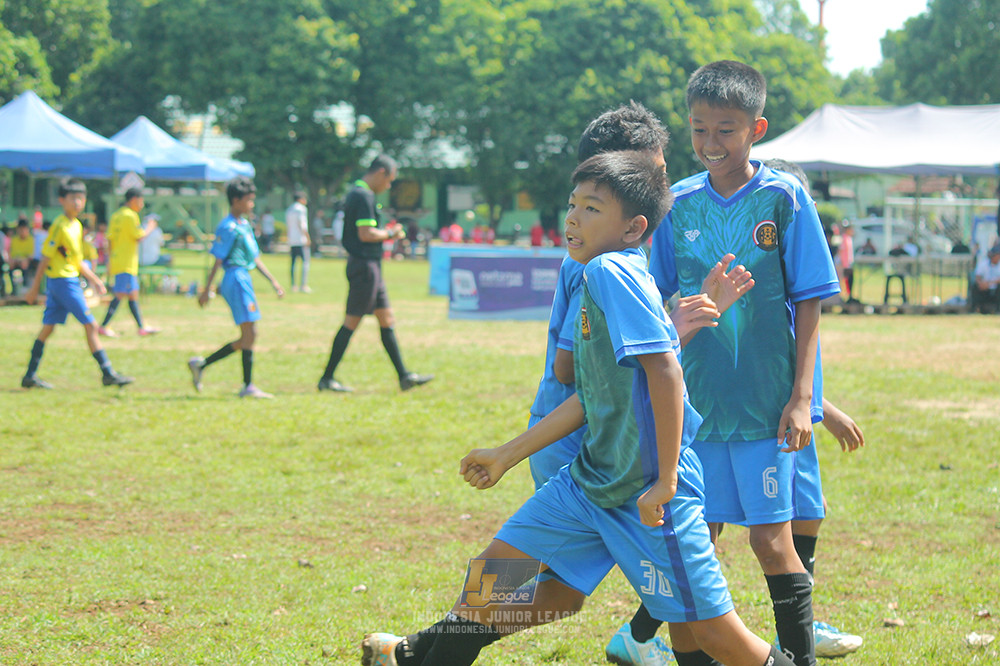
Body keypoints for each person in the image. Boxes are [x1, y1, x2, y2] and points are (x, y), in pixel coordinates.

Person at [361, 151, 799, 666]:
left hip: (648, 497)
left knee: (719, 639)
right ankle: (421, 658)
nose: (572, 217)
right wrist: (507, 454)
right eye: (573, 204)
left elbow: (665, 373)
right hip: (588, 484)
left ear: (634, 226)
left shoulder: (611, 272)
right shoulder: (603, 276)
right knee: (491, 576)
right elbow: (594, 396)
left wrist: (664, 481)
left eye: (592, 208)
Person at [526, 101, 754, 666]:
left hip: (611, 444)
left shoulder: (616, 253)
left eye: (660, 172)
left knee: (568, 588)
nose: (660, 187)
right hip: (586, 445)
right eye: (649, 173)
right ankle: (437, 641)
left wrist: (680, 323)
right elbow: (575, 370)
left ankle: (434, 641)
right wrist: (673, 333)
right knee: (558, 587)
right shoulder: (594, 262)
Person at [648, 61, 840, 666]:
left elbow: (809, 299)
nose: (711, 143)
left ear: (756, 128)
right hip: (694, 411)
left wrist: (803, 397)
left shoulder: (784, 198)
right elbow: (655, 299)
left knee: (770, 542)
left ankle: (799, 659)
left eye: (726, 130)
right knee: (690, 543)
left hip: (764, 406)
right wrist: (691, 303)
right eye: (700, 129)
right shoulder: (673, 203)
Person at [317, 155, 432, 393]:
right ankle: (327, 378)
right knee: (351, 321)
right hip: (364, 267)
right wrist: (390, 234)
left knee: (386, 319)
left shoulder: (359, 194)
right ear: (380, 172)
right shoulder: (363, 196)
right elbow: (366, 233)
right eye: (389, 180)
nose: (388, 186)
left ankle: (404, 377)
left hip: (371, 267)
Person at [20, 178, 133, 389]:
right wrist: (34, 289)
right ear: (62, 200)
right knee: (91, 325)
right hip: (63, 283)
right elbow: (45, 258)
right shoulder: (59, 226)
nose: (78, 203)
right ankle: (108, 373)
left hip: (66, 280)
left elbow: (77, 261)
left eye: (81, 198)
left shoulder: (77, 225)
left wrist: (95, 280)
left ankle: (29, 376)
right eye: (73, 198)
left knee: (47, 329)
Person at [188, 176, 284, 398]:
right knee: (250, 333)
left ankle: (202, 365)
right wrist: (206, 290)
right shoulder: (228, 226)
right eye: (249, 201)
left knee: (249, 335)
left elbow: (255, 257)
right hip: (235, 279)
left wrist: (273, 281)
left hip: (244, 278)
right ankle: (247, 385)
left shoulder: (244, 225)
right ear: (236, 200)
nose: (251, 205)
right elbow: (218, 260)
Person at [98, 188, 160, 337]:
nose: (142, 204)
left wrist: (109, 260)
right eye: (141, 200)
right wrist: (151, 227)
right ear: (133, 199)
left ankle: (141, 327)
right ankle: (103, 326)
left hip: (118, 260)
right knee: (120, 294)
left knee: (133, 294)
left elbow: (110, 239)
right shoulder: (131, 216)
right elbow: (139, 236)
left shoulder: (116, 215)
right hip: (127, 262)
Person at [285, 191, 311, 293]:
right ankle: (303, 285)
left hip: (292, 240)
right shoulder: (301, 209)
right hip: (301, 240)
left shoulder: (289, 210)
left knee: (293, 264)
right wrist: (307, 237)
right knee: (305, 263)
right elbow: (302, 225)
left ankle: (293, 285)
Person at [971, 244, 1000, 313]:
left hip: (996, 287)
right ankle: (976, 309)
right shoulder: (984, 263)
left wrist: (989, 284)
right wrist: (981, 283)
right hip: (984, 287)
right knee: (975, 286)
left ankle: (997, 310)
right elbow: (978, 276)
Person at [9, 219, 36, 290]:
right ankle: (14, 289)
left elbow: (31, 255)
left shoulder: (31, 239)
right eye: (20, 229)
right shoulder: (14, 239)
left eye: (24, 229)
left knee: (24, 264)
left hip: (27, 262)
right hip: (16, 261)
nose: (22, 231)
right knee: (11, 265)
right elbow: (13, 254)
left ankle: (26, 287)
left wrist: (23, 259)